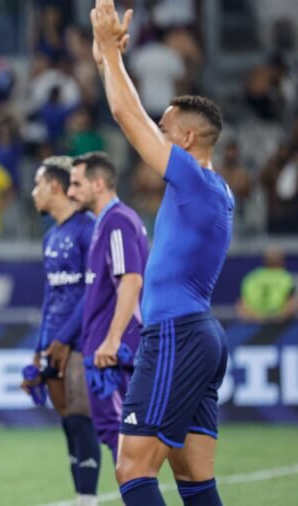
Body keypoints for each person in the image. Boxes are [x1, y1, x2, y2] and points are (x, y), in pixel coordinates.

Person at [92, 2, 233, 504]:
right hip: (198, 333)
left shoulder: (193, 179)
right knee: (194, 477)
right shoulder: (213, 189)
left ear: (188, 138)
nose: (156, 133)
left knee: (132, 467)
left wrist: (110, 51)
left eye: (165, 128)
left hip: (176, 333)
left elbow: (126, 116)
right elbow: (129, 111)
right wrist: (106, 61)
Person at [28, 156, 102, 506]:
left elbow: (93, 291)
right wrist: (40, 346)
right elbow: (51, 294)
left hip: (83, 340)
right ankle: (81, 496)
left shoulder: (89, 229)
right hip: (54, 342)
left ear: (55, 186)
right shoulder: (51, 236)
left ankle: (88, 499)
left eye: (38, 185)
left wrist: (63, 339)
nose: (33, 193)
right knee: (68, 424)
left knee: (81, 418)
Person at [67, 152, 147, 463]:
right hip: (105, 349)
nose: (70, 192)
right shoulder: (107, 223)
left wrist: (112, 340)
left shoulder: (116, 221)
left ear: (98, 184)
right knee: (119, 437)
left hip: (113, 353)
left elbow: (131, 279)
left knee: (122, 437)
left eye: (76, 184)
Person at [236, 247, 297, 323]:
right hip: (280, 324)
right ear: (282, 261)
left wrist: (258, 317)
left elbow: (241, 305)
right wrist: (275, 318)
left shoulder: (252, 277)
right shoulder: (285, 277)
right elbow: (292, 304)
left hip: (254, 322)